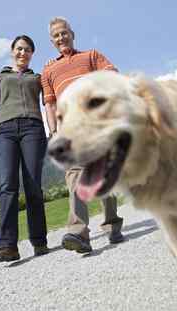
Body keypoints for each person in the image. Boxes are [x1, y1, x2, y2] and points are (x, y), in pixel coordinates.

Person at [41, 17, 125, 254]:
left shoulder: (91, 55)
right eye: (56, 35)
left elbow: (112, 75)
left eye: (64, 33)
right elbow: (49, 103)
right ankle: (79, 233)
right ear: (52, 41)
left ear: (72, 34)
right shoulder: (48, 70)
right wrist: (53, 130)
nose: (61, 38)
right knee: (75, 176)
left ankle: (112, 224)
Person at [0, 35, 48, 262]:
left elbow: (52, 101)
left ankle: (39, 240)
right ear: (12, 51)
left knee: (33, 185)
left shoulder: (37, 78)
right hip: (5, 132)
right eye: (19, 49)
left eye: (27, 50)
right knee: (8, 185)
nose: (22, 53)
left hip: (33, 130)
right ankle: (7, 246)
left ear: (32, 53)